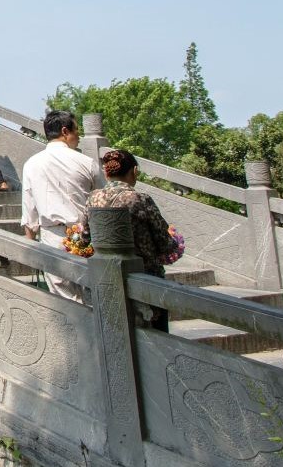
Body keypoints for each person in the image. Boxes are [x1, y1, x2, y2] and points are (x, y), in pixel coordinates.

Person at [87, 149, 179, 329]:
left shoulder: (93, 198)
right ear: (134, 171)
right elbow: (165, 242)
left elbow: (83, 237)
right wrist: (174, 240)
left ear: (106, 172)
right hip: (145, 276)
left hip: (107, 279)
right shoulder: (140, 199)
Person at [20, 109, 97, 301]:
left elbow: (29, 208)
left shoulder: (32, 164)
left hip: (52, 237)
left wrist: (31, 242)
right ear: (65, 131)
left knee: (64, 300)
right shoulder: (86, 162)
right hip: (87, 235)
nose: (78, 135)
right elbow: (103, 201)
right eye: (76, 130)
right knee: (94, 296)